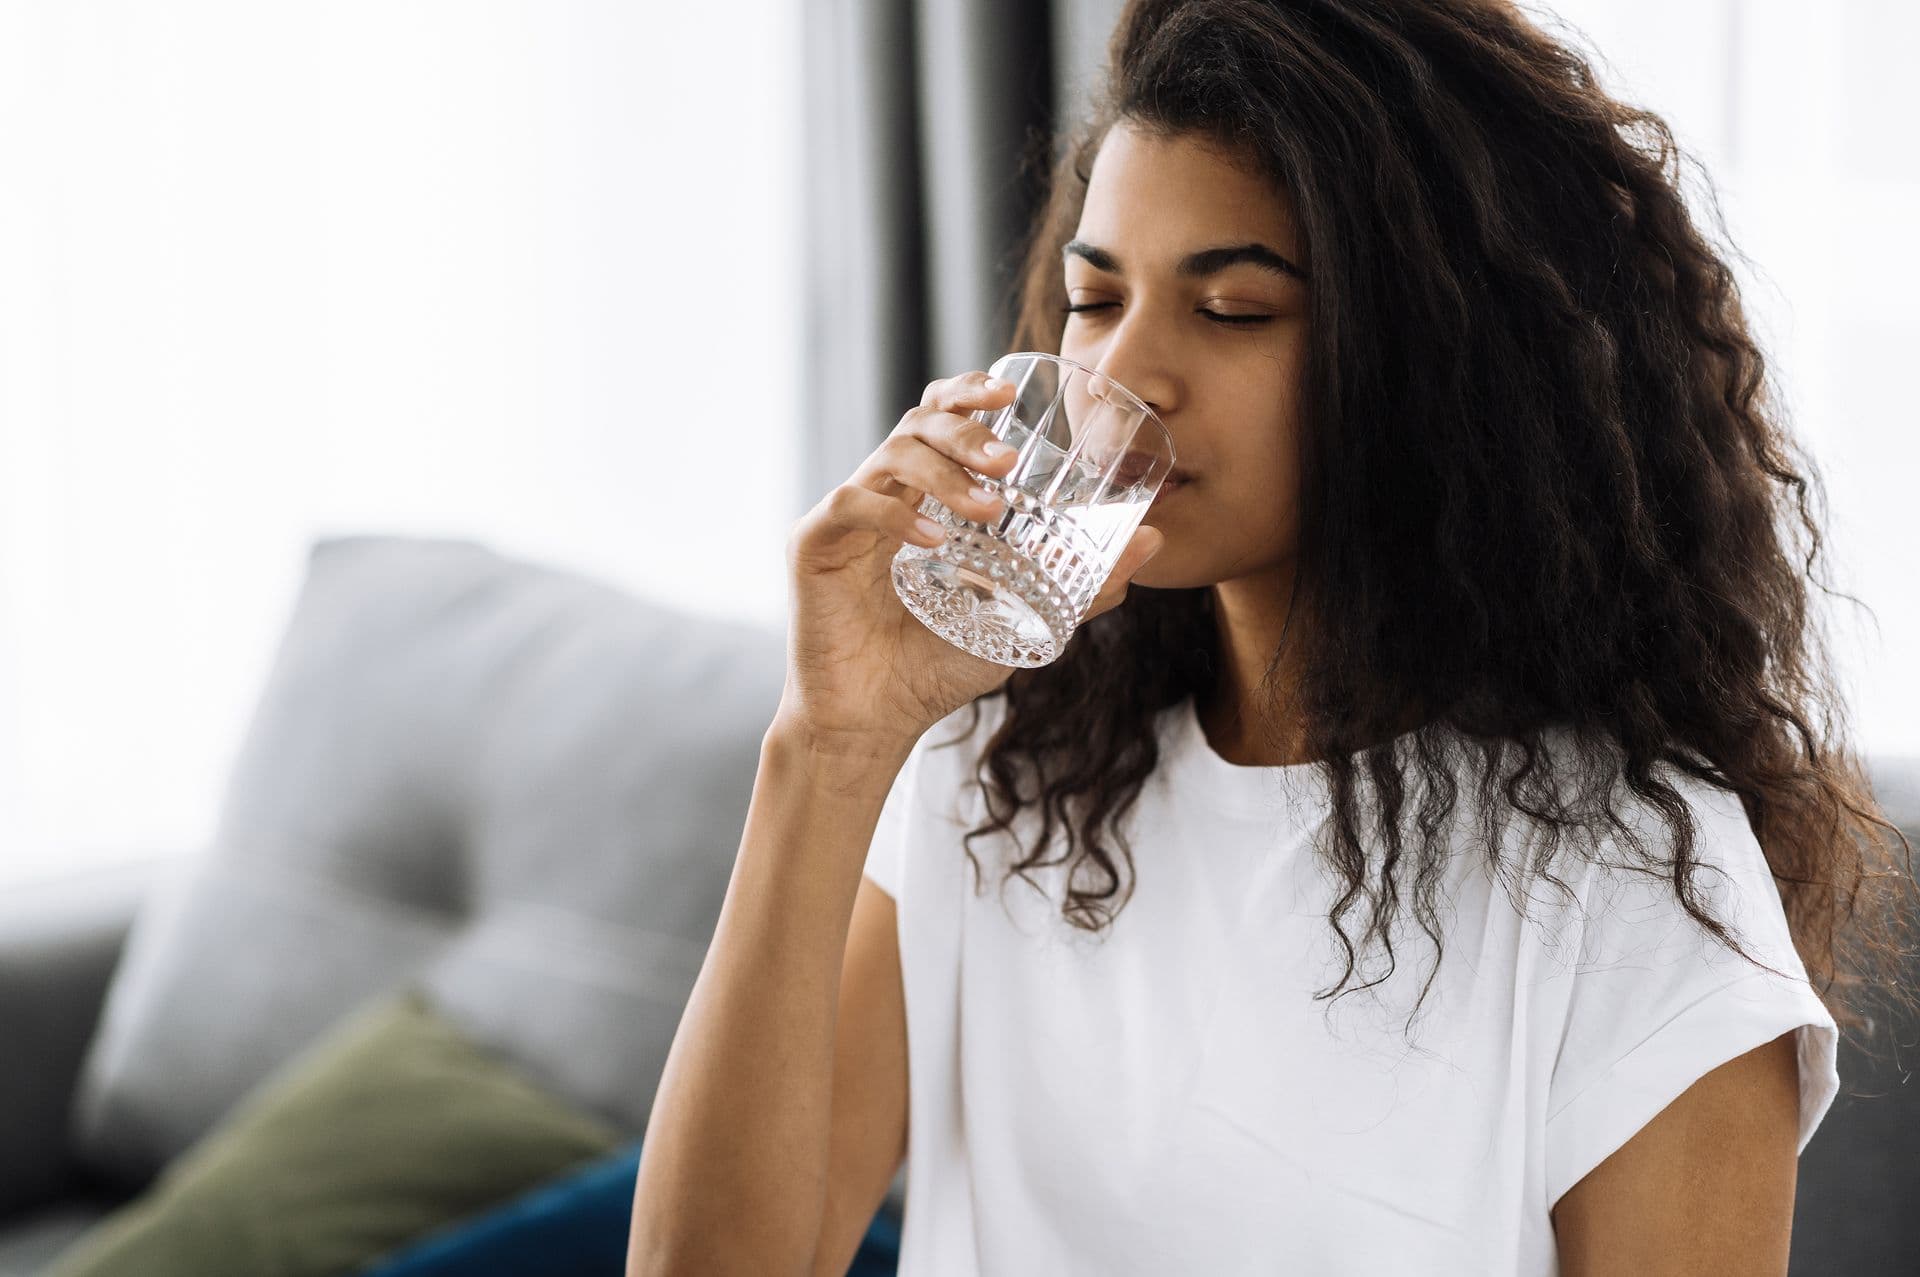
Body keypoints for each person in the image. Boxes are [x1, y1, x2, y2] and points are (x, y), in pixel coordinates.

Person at [626, 1, 1917, 1273]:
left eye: (1234, 308)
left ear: (1442, 359)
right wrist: (829, 740)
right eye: (1094, 297)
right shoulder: (1005, 757)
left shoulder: (1634, 886)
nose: (1125, 373)